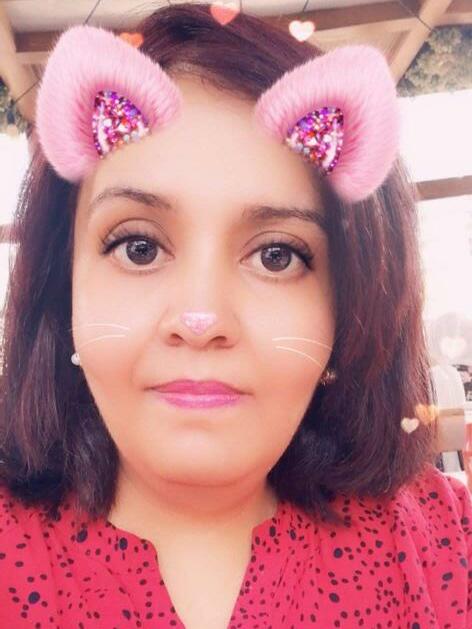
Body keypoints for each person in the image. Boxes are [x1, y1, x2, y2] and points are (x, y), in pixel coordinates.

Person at [0, 4, 470, 628]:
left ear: (349, 305)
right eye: (138, 247)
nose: (201, 318)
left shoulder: (443, 540)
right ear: (63, 288)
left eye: (277, 256)